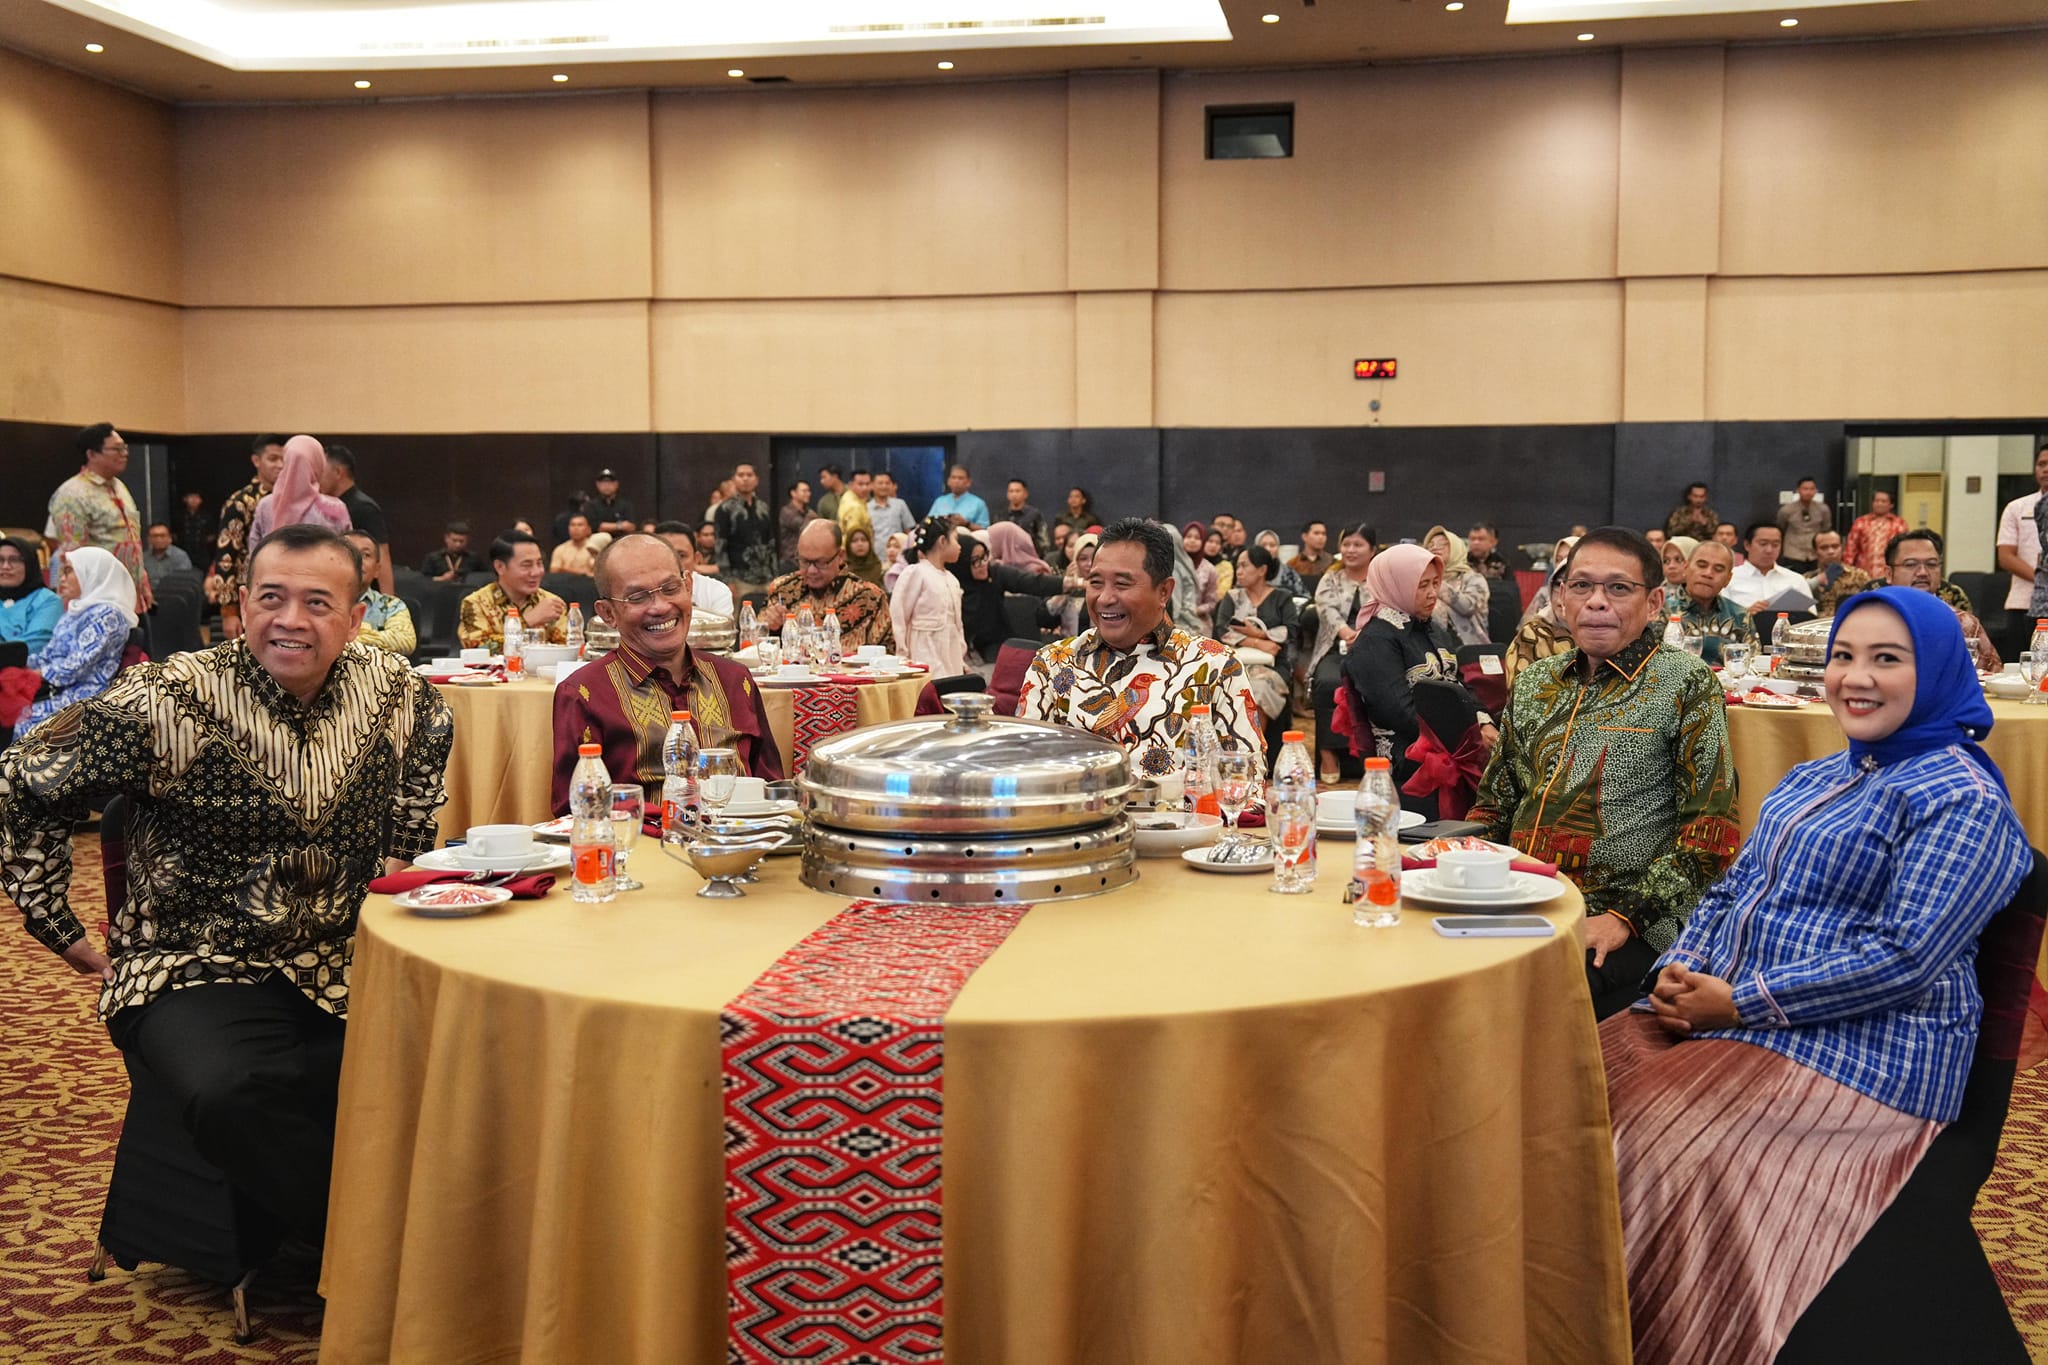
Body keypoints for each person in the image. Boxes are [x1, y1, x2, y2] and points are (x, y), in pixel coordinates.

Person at [1603, 588, 2031, 1365]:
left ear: (1936, 670)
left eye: (1886, 659)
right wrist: (1679, 968)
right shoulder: (1816, 776)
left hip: (1872, 1051)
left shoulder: (1960, 799)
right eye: (1842, 655)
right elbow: (1734, 887)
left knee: (1662, 1144)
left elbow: (1903, 958)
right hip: (1738, 1012)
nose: (1855, 678)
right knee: (1577, 1088)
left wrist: (1738, 1002)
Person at [0, 524, 452, 1247]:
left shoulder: (398, 691)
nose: (291, 620)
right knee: (232, 1091)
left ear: (357, 615)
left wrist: (396, 878)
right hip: (192, 961)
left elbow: (424, 773)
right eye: (271, 598)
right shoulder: (164, 698)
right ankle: (366, 1253)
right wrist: (59, 925)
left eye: (317, 601)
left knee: (464, 1052)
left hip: (346, 953)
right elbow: (25, 776)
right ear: (241, 604)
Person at [1467, 527, 1739, 1019]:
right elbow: (1495, 803)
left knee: (1526, 997)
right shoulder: (1536, 682)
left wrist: (1623, 919)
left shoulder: (1685, 683)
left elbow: (1710, 834)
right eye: (1581, 586)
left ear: (1654, 602)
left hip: (1627, 911)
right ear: (1560, 597)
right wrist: (1459, 870)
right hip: (1522, 895)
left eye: (1618, 588)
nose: (1596, 603)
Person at [552, 534, 781, 813]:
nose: (660, 607)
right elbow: (576, 812)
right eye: (637, 597)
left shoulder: (735, 680)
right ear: (608, 613)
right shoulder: (584, 693)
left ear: (688, 587)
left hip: (740, 847)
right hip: (642, 851)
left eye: (671, 588)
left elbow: (773, 789)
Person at [1018, 518, 1263, 774]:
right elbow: (1024, 768)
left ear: (1164, 592)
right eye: (1096, 582)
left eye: (1122, 584)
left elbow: (1245, 780)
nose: (1104, 598)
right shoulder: (1053, 664)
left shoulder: (1216, 667)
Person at [1339, 543, 1495, 809]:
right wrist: (1468, 738)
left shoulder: (1432, 629)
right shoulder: (1376, 640)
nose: (1433, 593)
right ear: (1396, 584)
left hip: (1451, 749)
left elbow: (1459, 684)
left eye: (1436, 583)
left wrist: (1483, 723)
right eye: (1422, 585)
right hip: (1407, 767)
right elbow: (1400, 711)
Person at [12, 547, 138, 741]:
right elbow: (48, 655)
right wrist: (16, 663)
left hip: (85, 697)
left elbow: (76, 666)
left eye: (69, 571)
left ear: (91, 573)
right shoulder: (76, 611)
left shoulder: (107, 616)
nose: (62, 578)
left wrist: (32, 674)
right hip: (58, 689)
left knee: (14, 723)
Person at [47, 421, 153, 613]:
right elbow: (73, 554)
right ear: (92, 454)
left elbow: (131, 540)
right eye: (117, 449)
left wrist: (141, 580)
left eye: (125, 448)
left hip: (129, 594)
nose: (125, 454)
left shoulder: (120, 487)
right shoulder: (72, 494)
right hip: (97, 600)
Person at [756, 521, 895, 651]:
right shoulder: (782, 590)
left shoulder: (870, 598)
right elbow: (753, 650)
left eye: (821, 563)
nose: (811, 570)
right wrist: (773, 629)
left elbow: (887, 662)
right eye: (804, 561)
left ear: (840, 556)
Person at [1308, 523, 1376, 783]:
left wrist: (1365, 636)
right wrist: (1346, 632)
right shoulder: (1331, 577)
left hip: (1373, 648)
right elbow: (1326, 610)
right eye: (1346, 544)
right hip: (1336, 647)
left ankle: (1371, 756)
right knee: (1328, 682)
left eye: (1358, 545)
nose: (1350, 550)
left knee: (1375, 683)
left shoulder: (1381, 577)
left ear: (1372, 550)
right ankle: (1327, 753)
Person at [1215, 544, 1300, 747]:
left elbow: (1291, 630)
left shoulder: (1282, 597)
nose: (1239, 571)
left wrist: (1260, 633)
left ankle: (1255, 751)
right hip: (1236, 663)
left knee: (1259, 687)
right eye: (1238, 566)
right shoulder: (1232, 597)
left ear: (1262, 570)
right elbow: (1221, 630)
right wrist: (1257, 642)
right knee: (1233, 686)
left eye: (1245, 565)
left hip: (1273, 665)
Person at [1885, 528, 2000, 671]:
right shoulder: (1871, 620)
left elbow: (1992, 677)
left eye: (1931, 564)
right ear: (1889, 574)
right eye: (1911, 564)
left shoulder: (1963, 623)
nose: (1922, 573)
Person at [208, 434, 287, 639]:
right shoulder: (240, 502)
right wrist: (229, 611)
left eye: (284, 459)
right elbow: (225, 558)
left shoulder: (293, 500)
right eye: (273, 459)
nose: (280, 465)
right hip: (251, 594)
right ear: (256, 461)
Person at [458, 530, 568, 650]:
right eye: (526, 565)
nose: (536, 572)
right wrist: (528, 621)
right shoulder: (475, 603)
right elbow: (479, 649)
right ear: (500, 567)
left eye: (539, 563)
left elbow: (567, 650)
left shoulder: (552, 603)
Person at [890, 519, 967, 675]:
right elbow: (899, 614)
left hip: (951, 651)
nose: (960, 547)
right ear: (943, 541)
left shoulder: (952, 579)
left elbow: (957, 623)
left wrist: (961, 654)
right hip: (924, 650)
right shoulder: (916, 572)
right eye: (956, 540)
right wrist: (902, 652)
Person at [250, 435, 351, 552]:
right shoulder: (335, 507)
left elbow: (254, 553)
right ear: (319, 464)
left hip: (273, 570)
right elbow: (347, 553)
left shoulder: (265, 505)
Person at [1995, 443, 2048, 658]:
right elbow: (2006, 557)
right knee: (2023, 667)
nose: (2045, 469)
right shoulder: (2017, 507)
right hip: (2023, 602)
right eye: (2041, 464)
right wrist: (2041, 580)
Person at [321, 444, 392, 593]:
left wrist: (389, 603)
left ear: (338, 472)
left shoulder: (363, 507)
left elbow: (383, 556)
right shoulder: (326, 506)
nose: (316, 477)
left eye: (321, 471)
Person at [1673, 540, 1757, 665]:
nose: (1708, 574)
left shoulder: (1740, 616)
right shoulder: (1660, 611)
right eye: (1701, 565)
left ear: (1728, 579)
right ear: (1686, 568)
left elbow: (1754, 665)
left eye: (1718, 569)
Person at [342, 528, 416, 656]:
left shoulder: (390, 605)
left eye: (366, 555)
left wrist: (351, 635)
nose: (358, 560)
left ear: (377, 570)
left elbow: (405, 641)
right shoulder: (318, 601)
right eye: (350, 553)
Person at [1502, 561, 1574, 687]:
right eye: (1558, 584)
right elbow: (1522, 696)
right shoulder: (1532, 635)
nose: (1563, 595)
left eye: (1577, 585)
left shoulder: (1607, 637)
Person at [652, 521, 737, 620]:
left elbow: (720, 633)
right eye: (664, 555)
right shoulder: (640, 593)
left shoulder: (716, 591)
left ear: (696, 559)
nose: (673, 563)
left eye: (681, 555)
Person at [1722, 523, 1810, 618]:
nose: (1769, 550)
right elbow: (1717, 619)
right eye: (1763, 544)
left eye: (1775, 545)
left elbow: (1811, 619)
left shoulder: (1796, 579)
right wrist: (1745, 615)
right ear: (1747, 545)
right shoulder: (1729, 577)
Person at [713, 464, 777, 593]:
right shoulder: (725, 509)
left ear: (757, 480)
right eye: (741, 475)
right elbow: (720, 546)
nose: (745, 479)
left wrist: (775, 576)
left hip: (766, 578)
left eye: (749, 475)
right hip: (739, 579)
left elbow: (771, 543)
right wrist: (728, 580)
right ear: (733, 480)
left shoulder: (763, 508)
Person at [1423, 525, 1490, 646]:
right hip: (1432, 647)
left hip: (1468, 649)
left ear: (1456, 549)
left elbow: (1468, 607)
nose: (1435, 547)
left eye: (1443, 544)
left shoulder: (1474, 579)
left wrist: (1436, 583)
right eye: (1430, 545)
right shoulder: (1422, 581)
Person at [0, 538, 62, 658]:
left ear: (29, 564)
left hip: (24, 671)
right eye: (0, 560)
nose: (6, 566)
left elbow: (34, 646)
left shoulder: (48, 601)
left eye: (14, 560)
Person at [1843, 489, 1908, 578]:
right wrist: (1847, 570)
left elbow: (1904, 550)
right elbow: (1851, 548)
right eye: (1876, 501)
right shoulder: (1861, 522)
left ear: (1891, 505)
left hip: (1888, 574)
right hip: (1863, 573)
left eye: (1883, 501)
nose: (1879, 504)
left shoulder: (1899, 524)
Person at [1775, 476, 1831, 574]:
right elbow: (1780, 528)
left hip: (1815, 553)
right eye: (1805, 489)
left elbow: (1826, 528)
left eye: (1812, 489)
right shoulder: (1786, 510)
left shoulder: (1823, 509)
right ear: (1798, 490)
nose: (1808, 492)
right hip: (1793, 553)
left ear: (1815, 491)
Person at [1181, 522, 1220, 635]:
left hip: (1199, 626)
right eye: (1188, 537)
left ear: (1203, 541)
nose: (1192, 540)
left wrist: (1194, 611)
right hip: (1171, 622)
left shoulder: (1209, 569)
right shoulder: (1172, 566)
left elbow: (1212, 603)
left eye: (1197, 538)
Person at [928, 464, 992, 529]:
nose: (956, 481)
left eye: (960, 478)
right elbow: (928, 522)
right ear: (948, 481)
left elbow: (985, 530)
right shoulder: (940, 501)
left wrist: (967, 524)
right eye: (953, 477)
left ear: (969, 482)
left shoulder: (979, 504)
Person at [1251, 530, 1307, 598]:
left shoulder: (1288, 572)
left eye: (1272, 545)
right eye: (1263, 545)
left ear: (1278, 548)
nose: (1268, 549)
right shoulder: (1248, 571)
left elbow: (1304, 596)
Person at [999, 479, 1050, 553]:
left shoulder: (1034, 515)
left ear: (1025, 494)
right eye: (1011, 491)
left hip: (1029, 557)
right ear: (1007, 494)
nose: (1014, 494)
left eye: (1017, 491)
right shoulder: (1001, 516)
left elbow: (1044, 542)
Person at [866, 471, 917, 544]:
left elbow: (909, 531)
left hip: (898, 552)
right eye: (880, 483)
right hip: (875, 553)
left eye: (887, 483)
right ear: (872, 485)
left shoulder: (900, 504)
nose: (884, 486)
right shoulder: (866, 508)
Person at [777, 480, 816, 571]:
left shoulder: (808, 511)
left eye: (808, 491)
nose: (808, 494)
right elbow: (805, 527)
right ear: (793, 493)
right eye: (804, 491)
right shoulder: (786, 511)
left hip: (805, 561)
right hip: (791, 561)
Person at [584, 469, 635, 536]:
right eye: (603, 482)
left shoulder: (625, 505)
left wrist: (606, 526)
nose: (606, 485)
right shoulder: (590, 505)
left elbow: (631, 527)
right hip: (597, 543)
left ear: (616, 484)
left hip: (620, 541)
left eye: (610, 482)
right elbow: (595, 527)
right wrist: (620, 526)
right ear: (598, 484)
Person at [547, 512, 597, 577]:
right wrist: (580, 572)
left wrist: (563, 569)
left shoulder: (595, 547)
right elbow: (554, 570)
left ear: (588, 529)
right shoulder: (560, 549)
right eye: (572, 525)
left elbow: (594, 572)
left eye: (580, 525)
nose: (576, 528)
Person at [177, 490, 216, 569]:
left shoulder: (207, 517)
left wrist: (204, 542)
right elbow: (174, 534)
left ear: (201, 500)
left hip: (202, 553)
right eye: (191, 497)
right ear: (185, 499)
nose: (194, 500)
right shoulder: (179, 516)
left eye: (197, 497)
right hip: (184, 551)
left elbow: (213, 535)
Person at [1289, 520, 1334, 584]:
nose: (1321, 537)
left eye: (1324, 534)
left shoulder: (1332, 562)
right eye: (1316, 533)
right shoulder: (1293, 564)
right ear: (1304, 536)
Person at [836, 469, 875, 543]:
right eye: (860, 484)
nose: (865, 488)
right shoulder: (854, 507)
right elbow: (855, 537)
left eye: (867, 484)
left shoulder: (848, 496)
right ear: (851, 485)